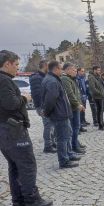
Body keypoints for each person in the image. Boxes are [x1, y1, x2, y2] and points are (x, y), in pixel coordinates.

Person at [0, 50, 53, 206]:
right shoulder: (3, 80)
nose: (18, 67)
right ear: (7, 64)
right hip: (13, 130)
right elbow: (10, 104)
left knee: (15, 166)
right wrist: (24, 97)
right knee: (27, 164)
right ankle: (31, 199)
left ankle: (19, 200)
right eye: (16, 64)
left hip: (6, 130)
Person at [41, 60, 80, 169]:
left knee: (67, 134)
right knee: (62, 138)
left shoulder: (53, 79)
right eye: (61, 68)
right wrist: (47, 113)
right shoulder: (52, 81)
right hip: (59, 114)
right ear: (56, 69)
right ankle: (64, 161)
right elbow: (50, 100)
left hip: (62, 113)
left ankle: (69, 154)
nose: (62, 70)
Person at [29, 60, 57, 153]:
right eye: (48, 66)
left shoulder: (44, 76)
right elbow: (37, 94)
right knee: (48, 125)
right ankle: (47, 146)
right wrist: (41, 108)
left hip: (48, 105)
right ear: (45, 66)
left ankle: (52, 142)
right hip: (42, 106)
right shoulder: (36, 77)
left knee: (52, 125)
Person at [60, 63, 86, 154]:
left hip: (76, 107)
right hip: (72, 107)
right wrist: (78, 104)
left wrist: (80, 104)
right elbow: (70, 94)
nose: (76, 72)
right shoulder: (65, 79)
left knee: (76, 127)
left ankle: (75, 144)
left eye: (75, 70)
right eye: (74, 70)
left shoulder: (71, 79)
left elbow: (77, 93)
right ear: (67, 70)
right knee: (74, 127)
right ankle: (74, 146)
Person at [88, 66, 104, 130]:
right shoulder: (91, 77)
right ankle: (100, 125)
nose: (99, 71)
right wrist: (101, 93)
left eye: (99, 70)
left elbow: (100, 85)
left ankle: (102, 123)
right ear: (94, 70)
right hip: (97, 97)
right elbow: (93, 88)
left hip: (101, 96)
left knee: (101, 110)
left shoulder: (97, 76)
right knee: (99, 111)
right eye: (98, 70)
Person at [76, 67, 89, 132]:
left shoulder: (83, 78)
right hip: (80, 97)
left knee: (84, 109)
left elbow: (85, 87)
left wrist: (86, 95)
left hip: (84, 96)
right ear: (78, 72)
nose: (83, 72)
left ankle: (83, 120)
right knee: (80, 110)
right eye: (81, 71)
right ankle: (81, 123)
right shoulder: (77, 78)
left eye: (83, 71)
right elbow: (77, 89)